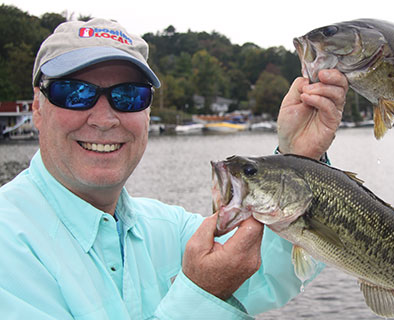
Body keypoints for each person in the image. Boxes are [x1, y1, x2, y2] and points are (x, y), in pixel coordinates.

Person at [0, 18, 348, 319]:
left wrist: (299, 161)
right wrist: (203, 295)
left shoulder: (169, 230)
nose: (105, 118)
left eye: (129, 96)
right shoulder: (9, 241)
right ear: (37, 108)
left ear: (147, 114)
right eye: (74, 93)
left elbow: (270, 274)